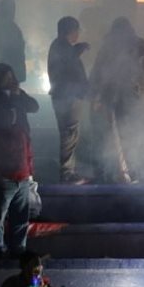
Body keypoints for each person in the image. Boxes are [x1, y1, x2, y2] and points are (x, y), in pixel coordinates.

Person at [0, 63, 39, 259]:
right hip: (4, 174)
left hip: (21, 170)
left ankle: (18, 248)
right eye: (6, 77)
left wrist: (29, 172)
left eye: (11, 76)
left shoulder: (17, 96)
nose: (10, 80)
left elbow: (34, 106)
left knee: (21, 215)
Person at [89, 17, 144, 184]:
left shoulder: (109, 46)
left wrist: (97, 95)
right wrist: (143, 82)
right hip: (134, 96)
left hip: (117, 97)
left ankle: (129, 173)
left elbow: (98, 72)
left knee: (121, 135)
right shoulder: (140, 44)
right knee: (141, 132)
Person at [47, 16, 91, 184]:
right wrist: (80, 48)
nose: (78, 34)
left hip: (66, 97)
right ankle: (67, 173)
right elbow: (68, 61)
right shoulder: (61, 47)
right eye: (77, 31)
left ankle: (69, 171)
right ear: (71, 31)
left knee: (70, 134)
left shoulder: (60, 46)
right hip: (67, 98)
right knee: (69, 134)